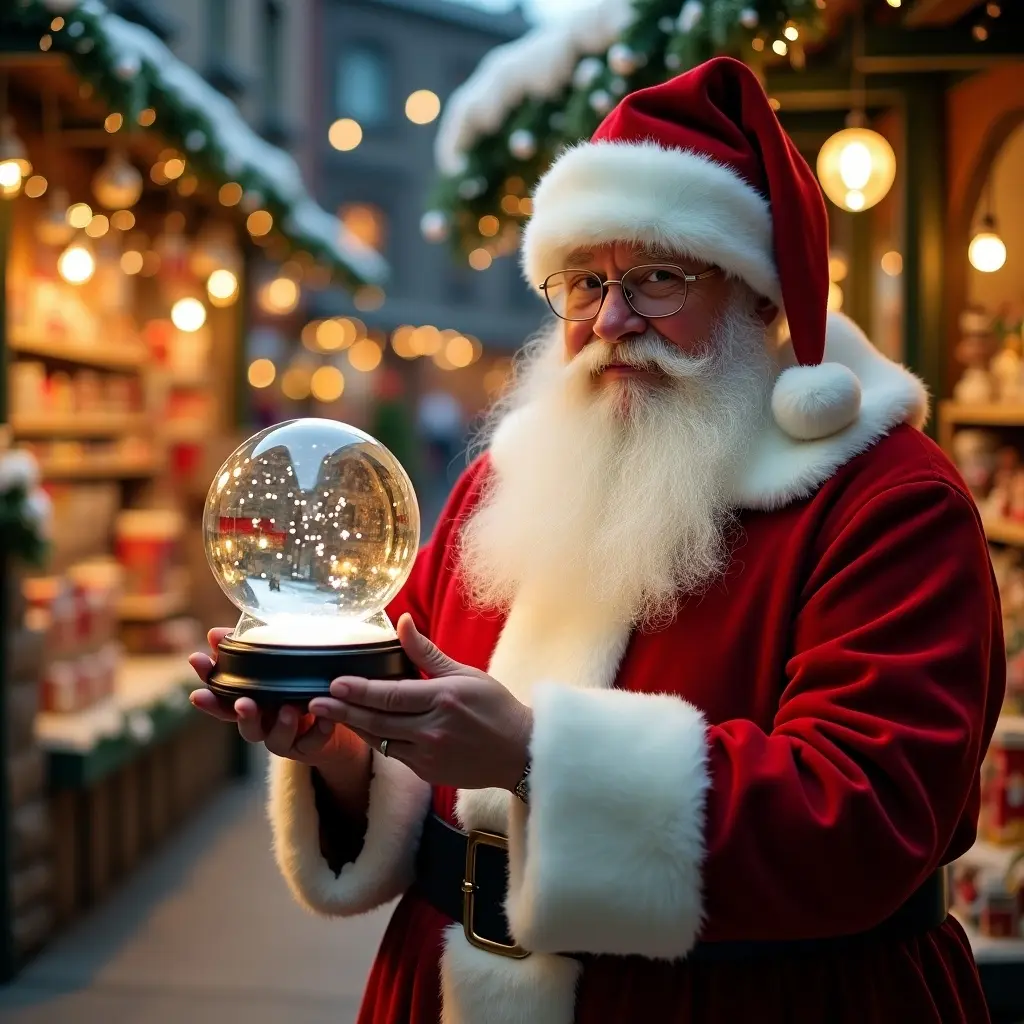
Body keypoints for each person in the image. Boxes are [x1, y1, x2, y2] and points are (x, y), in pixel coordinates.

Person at [190, 57, 1003, 1024]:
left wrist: (539, 759)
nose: (613, 321)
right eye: (583, 282)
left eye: (658, 277)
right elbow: (417, 718)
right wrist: (338, 752)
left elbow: (867, 812)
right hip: (447, 982)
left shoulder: (884, 497)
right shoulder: (513, 477)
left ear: (759, 295)